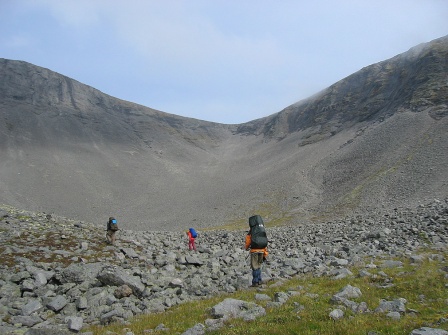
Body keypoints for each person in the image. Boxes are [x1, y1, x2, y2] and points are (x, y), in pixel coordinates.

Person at [245, 215, 268, 287]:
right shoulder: (262, 229)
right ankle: (259, 280)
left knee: (254, 266)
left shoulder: (252, 231)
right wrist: (265, 253)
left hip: (254, 250)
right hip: (262, 250)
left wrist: (246, 247)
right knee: (258, 265)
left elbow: (248, 241)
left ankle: (255, 282)